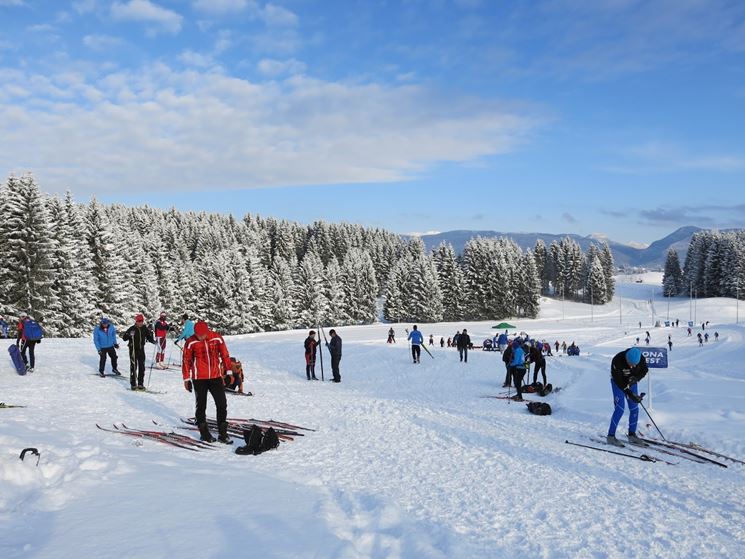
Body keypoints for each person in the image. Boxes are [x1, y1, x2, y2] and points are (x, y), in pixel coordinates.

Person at [182, 320, 233, 443]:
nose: (201, 337)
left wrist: (229, 372)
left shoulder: (217, 338)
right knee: (201, 405)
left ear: (207, 331)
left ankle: (222, 433)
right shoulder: (190, 342)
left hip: (215, 376)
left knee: (221, 403)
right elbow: (186, 360)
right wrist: (186, 378)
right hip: (199, 378)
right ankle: (204, 432)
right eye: (198, 335)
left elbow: (225, 355)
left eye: (203, 335)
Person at [606, 347, 648, 446]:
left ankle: (632, 435)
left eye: (634, 365)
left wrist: (636, 378)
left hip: (631, 382)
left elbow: (645, 370)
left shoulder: (640, 358)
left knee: (634, 408)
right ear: (626, 359)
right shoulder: (617, 360)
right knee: (620, 408)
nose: (632, 366)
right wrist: (630, 393)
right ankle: (610, 436)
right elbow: (620, 382)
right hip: (618, 383)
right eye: (630, 364)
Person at [121, 314, 155, 390]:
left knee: (142, 367)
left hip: (141, 349)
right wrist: (129, 334)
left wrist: (153, 341)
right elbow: (124, 338)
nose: (140, 323)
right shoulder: (132, 328)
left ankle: (140, 383)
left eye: (142, 321)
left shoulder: (144, 328)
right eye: (139, 321)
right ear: (136, 321)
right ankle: (133, 384)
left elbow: (148, 337)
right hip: (133, 349)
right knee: (133, 366)